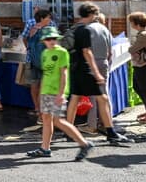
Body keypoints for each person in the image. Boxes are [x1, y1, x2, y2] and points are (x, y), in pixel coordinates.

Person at [25, 26, 95, 160]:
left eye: (54, 38)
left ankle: (84, 143)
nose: (51, 41)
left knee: (58, 121)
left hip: (57, 92)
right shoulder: (45, 53)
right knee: (46, 119)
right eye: (48, 39)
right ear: (44, 40)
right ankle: (45, 148)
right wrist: (41, 93)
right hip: (46, 91)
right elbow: (46, 74)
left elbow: (64, 74)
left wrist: (61, 93)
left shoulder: (62, 52)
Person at [66, 2, 129, 143]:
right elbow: (90, 51)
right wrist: (96, 72)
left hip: (79, 67)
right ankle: (109, 131)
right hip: (91, 67)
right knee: (102, 98)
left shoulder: (77, 29)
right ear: (91, 14)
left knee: (76, 99)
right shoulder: (95, 29)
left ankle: (70, 130)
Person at [128, 12, 146, 123]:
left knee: (145, 89)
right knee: (137, 86)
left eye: (131, 22)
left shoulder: (145, 35)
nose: (130, 24)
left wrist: (131, 48)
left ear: (136, 23)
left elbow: (132, 49)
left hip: (142, 64)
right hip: (141, 64)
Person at [26, 9, 53, 122]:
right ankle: (42, 114)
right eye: (48, 17)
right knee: (43, 89)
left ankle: (37, 109)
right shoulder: (47, 31)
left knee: (34, 86)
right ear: (42, 18)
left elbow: (28, 43)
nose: (50, 19)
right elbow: (51, 47)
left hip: (33, 62)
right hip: (44, 63)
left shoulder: (33, 29)